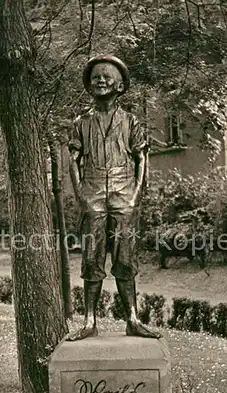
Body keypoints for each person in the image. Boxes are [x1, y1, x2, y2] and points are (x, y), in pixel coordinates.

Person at [66, 54, 162, 341]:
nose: (101, 80)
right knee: (91, 258)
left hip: (124, 191)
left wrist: (134, 195)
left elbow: (142, 158)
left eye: (108, 76)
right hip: (92, 191)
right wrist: (81, 193)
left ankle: (132, 318)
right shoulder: (81, 122)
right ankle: (89, 321)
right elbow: (72, 159)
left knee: (125, 258)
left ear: (120, 86)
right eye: (96, 76)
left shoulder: (131, 122)